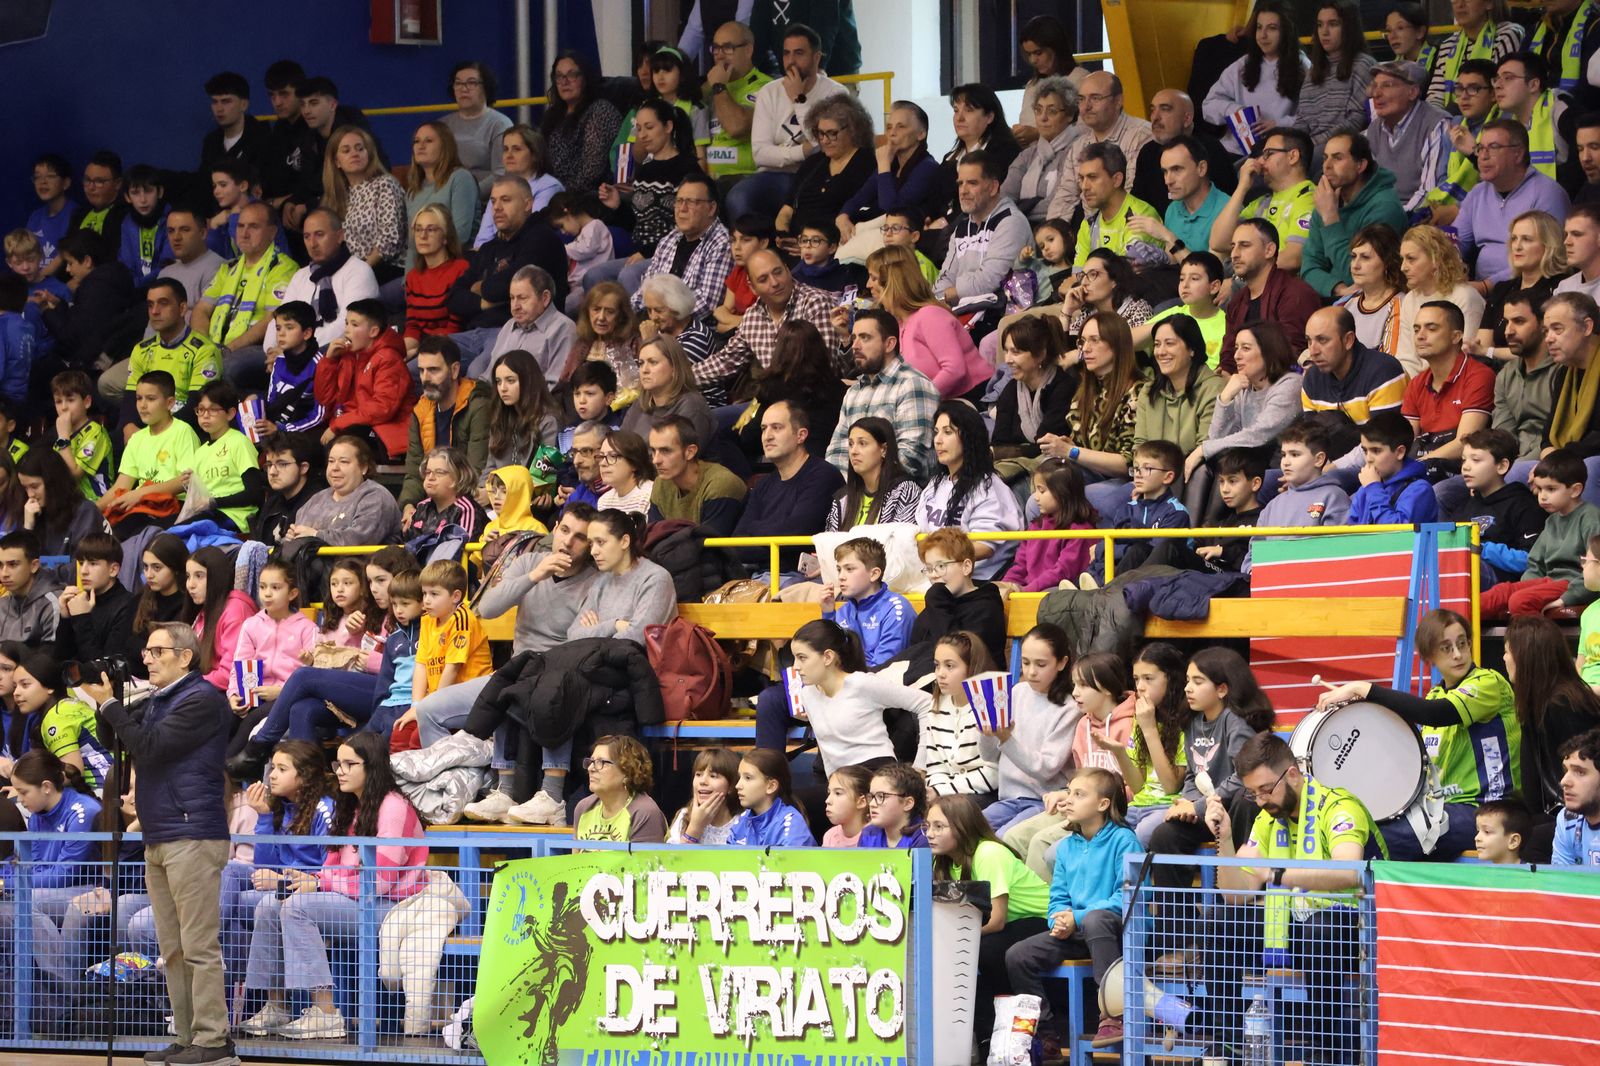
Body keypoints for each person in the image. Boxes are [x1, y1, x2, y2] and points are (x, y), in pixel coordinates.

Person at [1146, 733, 1384, 1061]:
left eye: (1266, 789)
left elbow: (1350, 872)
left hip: (1356, 922)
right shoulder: (1268, 818)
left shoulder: (1339, 807)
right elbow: (1237, 894)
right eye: (1253, 792)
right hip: (1293, 920)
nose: (1259, 801)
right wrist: (1224, 837)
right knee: (1221, 923)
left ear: (1293, 775)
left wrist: (1275, 874)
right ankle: (1226, 1047)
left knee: (1321, 931)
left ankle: (1330, 1056)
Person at [85, 622, 237, 1064]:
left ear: (185, 656)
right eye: (146, 652)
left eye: (156, 651)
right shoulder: (160, 700)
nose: (146, 658)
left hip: (192, 833)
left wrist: (113, 704)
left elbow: (149, 749)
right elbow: (120, 743)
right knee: (170, 948)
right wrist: (109, 707)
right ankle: (188, 1035)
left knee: (198, 946)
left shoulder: (201, 699)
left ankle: (214, 1041)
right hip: (160, 833)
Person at [1316, 607, 1518, 861]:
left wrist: (1363, 688)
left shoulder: (1488, 683)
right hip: (1439, 807)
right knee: (1354, 825)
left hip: (1485, 808)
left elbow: (1434, 713)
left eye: (1462, 643)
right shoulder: (1435, 694)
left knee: (1370, 839)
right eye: (1446, 647)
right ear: (1429, 656)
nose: (1458, 654)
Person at [449, 507, 602, 823]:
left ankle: (549, 793)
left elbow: (580, 637)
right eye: (564, 531)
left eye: (580, 538)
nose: (569, 542)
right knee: (432, 708)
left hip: (562, 670)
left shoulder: (594, 581)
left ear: (590, 546)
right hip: (521, 667)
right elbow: (487, 608)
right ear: (554, 529)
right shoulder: (531, 562)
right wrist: (537, 574)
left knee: (540, 690)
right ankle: (493, 792)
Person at [1003, 767, 1142, 1053]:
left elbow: (1127, 897)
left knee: (1095, 918)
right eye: (1069, 792)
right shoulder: (1066, 847)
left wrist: (1076, 917)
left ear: (1103, 804)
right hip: (1079, 930)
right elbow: (1058, 896)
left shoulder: (1125, 840)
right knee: (1018, 955)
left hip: (1120, 930)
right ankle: (1046, 1036)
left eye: (1079, 794)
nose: (1069, 800)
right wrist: (1060, 919)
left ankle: (1114, 1015)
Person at [728, 23, 849, 222]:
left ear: (816, 57)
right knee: (737, 198)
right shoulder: (769, 91)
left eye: (799, 53)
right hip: (774, 176)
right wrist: (801, 152)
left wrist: (799, 100)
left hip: (818, 176)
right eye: (786, 54)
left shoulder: (835, 93)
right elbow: (759, 154)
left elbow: (826, 147)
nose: (791, 61)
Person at [690, 248, 843, 396]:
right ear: (753, 287)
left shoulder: (816, 303)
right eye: (763, 279)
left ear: (787, 270)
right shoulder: (753, 316)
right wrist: (677, 380)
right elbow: (726, 362)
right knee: (713, 418)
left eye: (778, 272)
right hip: (774, 401)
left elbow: (825, 368)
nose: (775, 282)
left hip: (814, 400)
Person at [1045, 310, 1148, 517]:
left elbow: (1129, 463)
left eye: (1095, 340)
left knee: (1081, 497)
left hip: (1128, 482)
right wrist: (1070, 446)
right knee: (1041, 492)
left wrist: (1072, 452)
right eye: (1082, 341)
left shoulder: (1139, 392)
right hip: (1091, 473)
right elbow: (1082, 449)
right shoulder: (1084, 391)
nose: (1086, 348)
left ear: (1117, 345)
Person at [981, 624, 1077, 835]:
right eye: (1025, 663)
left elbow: (1045, 769)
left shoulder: (1069, 707)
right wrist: (988, 733)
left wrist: (1006, 738)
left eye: (1041, 664)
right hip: (1008, 798)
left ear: (1062, 663)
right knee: (963, 833)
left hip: (1043, 801)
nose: (1031, 672)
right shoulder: (1016, 692)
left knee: (1003, 838)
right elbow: (988, 755)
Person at [825, 310, 941, 481]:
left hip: (901, 498)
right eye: (854, 337)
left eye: (864, 337)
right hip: (855, 496)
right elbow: (838, 451)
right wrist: (836, 489)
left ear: (889, 344)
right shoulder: (854, 392)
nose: (855, 345)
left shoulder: (912, 384)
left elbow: (912, 458)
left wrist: (864, 489)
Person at [1455, 120, 1571, 289]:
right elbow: (1456, 242)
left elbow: (1547, 258)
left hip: (1530, 290)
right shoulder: (1477, 193)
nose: (1483, 156)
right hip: (1481, 290)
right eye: (1480, 148)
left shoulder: (1547, 193)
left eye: (1493, 147)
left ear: (1518, 154)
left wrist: (1486, 286)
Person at [446, 177, 568, 335]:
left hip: (519, 334)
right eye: (493, 201)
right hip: (472, 333)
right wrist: (487, 303)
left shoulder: (542, 239)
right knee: (424, 359)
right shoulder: (489, 248)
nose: (496, 207)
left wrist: (480, 287)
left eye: (505, 200)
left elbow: (510, 285)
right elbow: (453, 298)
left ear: (527, 204)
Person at [731, 400, 842, 572]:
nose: (767, 436)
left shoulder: (822, 475)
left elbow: (795, 534)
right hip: (759, 579)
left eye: (776, 427)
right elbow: (737, 543)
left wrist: (754, 529)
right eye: (763, 428)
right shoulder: (764, 484)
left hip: (802, 581)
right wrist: (777, 539)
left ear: (801, 435)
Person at [869, 244, 990, 400]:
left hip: (971, 401)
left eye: (873, 278)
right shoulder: (899, 324)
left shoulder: (930, 315)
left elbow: (955, 370)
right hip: (940, 405)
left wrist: (915, 399)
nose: (868, 285)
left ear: (892, 282)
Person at [110, 277, 225, 440]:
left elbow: (197, 405)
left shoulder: (205, 350)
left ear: (182, 308)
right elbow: (130, 397)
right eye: (150, 305)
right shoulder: (141, 349)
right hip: (148, 425)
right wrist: (128, 426)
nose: (155, 311)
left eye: (163, 303)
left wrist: (155, 434)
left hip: (186, 431)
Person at [919, 403, 1024, 580]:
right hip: (936, 577)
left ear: (968, 438)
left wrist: (939, 558)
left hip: (978, 582)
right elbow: (920, 534)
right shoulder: (934, 485)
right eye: (936, 432)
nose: (938, 440)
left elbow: (985, 546)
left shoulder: (988, 487)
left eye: (948, 432)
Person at [1301, 133, 1410, 299]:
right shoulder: (1327, 200)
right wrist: (1338, 289)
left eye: (1337, 158)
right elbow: (1309, 266)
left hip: (1378, 300)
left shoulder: (1384, 207)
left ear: (1360, 165)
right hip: (1338, 296)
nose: (1327, 166)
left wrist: (1330, 219)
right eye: (1325, 158)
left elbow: (1359, 272)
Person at [263, 208, 380, 353]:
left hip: (339, 353)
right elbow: (278, 320)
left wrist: (298, 350)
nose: (312, 244)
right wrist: (271, 351)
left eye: (319, 235)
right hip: (294, 350)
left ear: (340, 236)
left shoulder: (359, 271)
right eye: (306, 237)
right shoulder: (300, 275)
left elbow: (346, 327)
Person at [98, 372, 200, 538]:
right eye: (139, 398)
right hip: (141, 507)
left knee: (133, 537)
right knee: (104, 536)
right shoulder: (137, 439)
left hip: (174, 507)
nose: (142, 405)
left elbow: (186, 481)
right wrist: (91, 510)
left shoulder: (183, 431)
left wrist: (139, 493)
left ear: (170, 403)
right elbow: (121, 487)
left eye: (151, 399)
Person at [1046, 71, 1155, 226]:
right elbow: (1065, 196)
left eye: (1095, 98)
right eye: (1081, 99)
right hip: (1091, 231)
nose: (1086, 106)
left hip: (1130, 228)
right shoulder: (1078, 146)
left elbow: (1133, 195)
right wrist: (1053, 234)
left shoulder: (1142, 136)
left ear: (1118, 101)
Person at [1300, 305, 1409, 458]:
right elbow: (1310, 442)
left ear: (1348, 340)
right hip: (1324, 465)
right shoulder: (1313, 378)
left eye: (1322, 340)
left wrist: (1329, 470)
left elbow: (1381, 448)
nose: (1313, 351)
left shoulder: (1383, 372)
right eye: (1309, 341)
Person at [1136, 315, 1224, 506]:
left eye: (1169, 343)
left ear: (1191, 349)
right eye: (1157, 344)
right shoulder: (1148, 391)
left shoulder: (1213, 388)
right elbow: (1140, 445)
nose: (1161, 351)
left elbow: (1206, 445)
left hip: (1188, 476)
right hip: (1151, 478)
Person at [1203, 0, 1307, 159]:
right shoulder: (1242, 64)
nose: (1263, 35)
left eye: (1272, 28)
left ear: (1286, 31)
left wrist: (1278, 124)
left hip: (1277, 152)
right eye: (1259, 28)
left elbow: (1312, 117)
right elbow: (1208, 105)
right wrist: (1235, 111)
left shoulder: (1303, 66)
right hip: (1234, 150)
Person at [1198, 320, 1302, 479]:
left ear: (1269, 351)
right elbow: (1217, 439)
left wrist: (1203, 450)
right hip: (1250, 468)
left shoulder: (1290, 384)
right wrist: (1225, 398)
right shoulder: (1244, 388)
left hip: (1282, 471)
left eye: (1245, 348)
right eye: (1236, 348)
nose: (1236, 356)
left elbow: (1258, 435)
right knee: (1208, 468)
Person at [312, 299, 413, 461]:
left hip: (385, 434)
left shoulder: (388, 358)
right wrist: (329, 361)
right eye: (346, 323)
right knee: (302, 445)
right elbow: (326, 399)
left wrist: (338, 424)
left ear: (373, 331)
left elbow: (382, 409)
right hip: (353, 424)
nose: (347, 331)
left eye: (354, 325)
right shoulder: (349, 355)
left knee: (338, 450)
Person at [838, 101, 940, 259]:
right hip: (881, 230)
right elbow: (860, 196)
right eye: (889, 127)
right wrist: (843, 216)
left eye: (901, 127)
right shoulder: (892, 163)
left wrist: (883, 164)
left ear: (921, 134)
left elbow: (891, 208)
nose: (892, 133)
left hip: (904, 239)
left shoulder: (928, 167)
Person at [1207, 128, 1316, 273]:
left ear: (1292, 156)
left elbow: (1293, 258)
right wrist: (1242, 188)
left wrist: (1240, 276)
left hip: (1279, 288)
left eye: (1268, 154)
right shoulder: (1261, 202)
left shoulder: (1308, 197)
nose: (1260, 162)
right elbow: (1218, 243)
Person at [1219, 218, 1320, 371]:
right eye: (1233, 247)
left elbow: (1292, 353)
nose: (1234, 254)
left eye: (1244, 246)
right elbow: (1228, 352)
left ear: (1269, 250)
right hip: (1245, 387)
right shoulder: (1237, 301)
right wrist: (1227, 372)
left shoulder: (1295, 293)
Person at [933, 152, 1030, 310]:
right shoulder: (961, 228)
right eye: (960, 183)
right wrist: (942, 295)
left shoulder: (1011, 222)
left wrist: (948, 294)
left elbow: (988, 281)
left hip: (1001, 316)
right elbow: (945, 278)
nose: (963, 191)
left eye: (972, 183)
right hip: (966, 314)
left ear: (992, 187)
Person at [630, 173, 732, 321]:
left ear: (711, 208)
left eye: (691, 202)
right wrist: (628, 317)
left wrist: (659, 317)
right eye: (679, 201)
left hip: (688, 331)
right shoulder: (669, 240)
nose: (682, 208)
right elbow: (646, 289)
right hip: (654, 321)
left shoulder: (722, 244)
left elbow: (706, 302)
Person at [1450, 428, 1546, 584]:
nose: (1465, 467)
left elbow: (1532, 560)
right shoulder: (1464, 507)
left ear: (1502, 466)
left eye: (1475, 460)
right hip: (1464, 573)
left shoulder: (1524, 505)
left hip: (1503, 580)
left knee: (1459, 566)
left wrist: (1481, 549)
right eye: (1464, 460)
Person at [777, 93, 875, 243]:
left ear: (854, 130)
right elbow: (786, 212)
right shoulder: (813, 162)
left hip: (835, 245)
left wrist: (812, 244)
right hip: (797, 242)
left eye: (832, 133)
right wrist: (783, 235)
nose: (824, 140)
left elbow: (861, 216)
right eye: (820, 133)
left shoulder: (868, 163)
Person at [1251, 418, 1352, 562]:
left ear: (1319, 459)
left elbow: (1337, 551)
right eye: (1284, 454)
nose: (1285, 461)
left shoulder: (1334, 497)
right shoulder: (1273, 505)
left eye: (1295, 454)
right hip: (1272, 581)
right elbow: (1254, 553)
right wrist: (1253, 571)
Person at [35, 230, 136, 373]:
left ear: (87, 261)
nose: (68, 269)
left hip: (91, 367)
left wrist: (46, 311)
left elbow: (71, 338)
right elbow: (81, 319)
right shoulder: (112, 279)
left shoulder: (94, 289)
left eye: (70, 263)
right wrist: (59, 305)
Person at [283, 434, 403, 549]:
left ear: (364, 467)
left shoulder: (376, 496)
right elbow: (298, 533)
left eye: (344, 462)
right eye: (331, 461)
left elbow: (359, 540)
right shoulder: (316, 499)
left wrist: (315, 535)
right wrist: (291, 538)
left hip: (361, 567)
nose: (335, 468)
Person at [320, 126, 407, 283]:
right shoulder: (335, 198)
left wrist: (361, 271)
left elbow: (390, 239)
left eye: (360, 148)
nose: (355, 153)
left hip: (389, 267)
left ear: (369, 154)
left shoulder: (384, 184)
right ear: (337, 162)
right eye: (346, 151)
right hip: (356, 271)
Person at [1397, 225, 1487, 376]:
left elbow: (1465, 357)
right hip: (1418, 387)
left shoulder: (1465, 296)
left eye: (1411, 259)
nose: (1403, 267)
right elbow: (1407, 359)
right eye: (1402, 259)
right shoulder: (1409, 300)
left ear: (1436, 259)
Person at [1365, 59, 1453, 212]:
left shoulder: (1436, 124)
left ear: (1412, 92)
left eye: (1387, 85)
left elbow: (1429, 193)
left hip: (1417, 217)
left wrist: (1395, 217)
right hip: (1380, 214)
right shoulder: (1374, 128)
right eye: (1375, 86)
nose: (1376, 94)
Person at [1133, 89, 1238, 215]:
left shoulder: (1210, 150)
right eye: (1152, 110)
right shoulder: (1147, 153)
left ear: (1187, 118)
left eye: (1165, 109)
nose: (1155, 117)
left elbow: (1228, 202)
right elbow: (1138, 203)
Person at [1476, 214, 1566, 360]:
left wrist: (1490, 352)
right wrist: (1486, 352)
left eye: (1526, 239)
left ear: (1548, 245)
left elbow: (1543, 351)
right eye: (1514, 239)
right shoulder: (1502, 289)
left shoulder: (1560, 287)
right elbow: (1480, 347)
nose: (1517, 246)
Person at [1421, 59, 1501, 225]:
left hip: (1485, 213)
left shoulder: (1503, 127)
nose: (1463, 96)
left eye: (1473, 89)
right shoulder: (1453, 125)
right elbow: (1441, 178)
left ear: (1493, 94)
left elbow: (1499, 181)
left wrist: (1458, 209)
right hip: (1447, 207)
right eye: (1459, 89)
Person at [1295, 3, 1376, 156]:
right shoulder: (1314, 69)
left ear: (1348, 28)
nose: (1324, 32)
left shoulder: (1363, 65)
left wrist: (1309, 145)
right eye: (1320, 25)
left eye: (1333, 24)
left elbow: (1356, 121)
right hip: (1309, 145)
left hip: (1341, 147)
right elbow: (1302, 120)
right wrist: (1291, 144)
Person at [1002, 459, 1094, 592]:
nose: (1036, 497)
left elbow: (1062, 573)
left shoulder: (1081, 532)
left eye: (1041, 491)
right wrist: (1005, 586)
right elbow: (1020, 566)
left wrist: (1025, 590)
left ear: (1062, 493)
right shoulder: (1035, 526)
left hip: (1055, 597)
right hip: (1028, 592)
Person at [540, 51, 624, 194]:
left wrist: (558, 194)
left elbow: (591, 171)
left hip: (587, 195)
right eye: (559, 76)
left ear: (585, 78)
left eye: (572, 75)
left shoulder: (600, 111)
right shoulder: (552, 114)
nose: (565, 82)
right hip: (552, 191)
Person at [699, 21, 771, 189]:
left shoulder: (766, 87)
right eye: (716, 48)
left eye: (728, 48)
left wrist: (718, 87)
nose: (720, 55)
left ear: (748, 50)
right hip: (707, 180)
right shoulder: (709, 87)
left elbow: (736, 127)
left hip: (746, 178)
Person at [1001, 78, 1082, 226]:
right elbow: (1004, 198)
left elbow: (1057, 204)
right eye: (1038, 110)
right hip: (1020, 228)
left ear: (1070, 115)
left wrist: (1017, 212)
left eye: (1052, 111)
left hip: (1061, 230)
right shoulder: (1027, 155)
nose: (1043, 118)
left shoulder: (1078, 150)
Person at [646, 415, 746, 534]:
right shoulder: (661, 484)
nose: (656, 460)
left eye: (665, 451)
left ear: (690, 452)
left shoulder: (721, 484)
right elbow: (654, 538)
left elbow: (710, 547)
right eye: (653, 451)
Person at [190, 380, 265, 533]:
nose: (205, 415)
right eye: (201, 410)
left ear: (230, 413)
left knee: (180, 533)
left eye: (212, 410)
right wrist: (189, 484)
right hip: (210, 514)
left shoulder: (239, 442)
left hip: (236, 518)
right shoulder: (200, 451)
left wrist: (214, 502)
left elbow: (254, 493)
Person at [824, 416, 921, 532]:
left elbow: (900, 544)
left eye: (862, 443)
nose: (854, 451)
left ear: (884, 450)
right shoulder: (843, 498)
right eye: (851, 444)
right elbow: (829, 544)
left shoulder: (905, 492)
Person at [1347, 410, 1440, 526]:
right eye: (1365, 451)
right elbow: (1349, 535)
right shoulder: (1364, 490)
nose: (1368, 459)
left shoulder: (1420, 489)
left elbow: (1397, 534)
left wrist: (1374, 489)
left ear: (1400, 452)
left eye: (1376, 451)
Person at [571, 735, 669, 843]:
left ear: (627, 771)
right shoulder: (584, 808)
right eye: (591, 761)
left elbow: (645, 860)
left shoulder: (644, 812)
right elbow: (576, 859)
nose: (590, 768)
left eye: (601, 762)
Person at [403, 122, 477, 264]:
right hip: (420, 272)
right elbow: (413, 244)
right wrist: (408, 282)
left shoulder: (460, 178)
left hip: (454, 268)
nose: (421, 146)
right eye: (416, 141)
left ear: (445, 146)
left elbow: (459, 235)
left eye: (428, 141)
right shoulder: (412, 191)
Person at [16, 445, 109, 558]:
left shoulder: (85, 512)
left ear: (53, 482)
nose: (30, 494)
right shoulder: (30, 512)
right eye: (25, 488)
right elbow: (20, 567)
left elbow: (84, 564)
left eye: (34, 486)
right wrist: (28, 528)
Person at [442, 60, 514, 197]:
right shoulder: (443, 125)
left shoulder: (500, 124)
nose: (464, 88)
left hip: (483, 199)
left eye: (471, 83)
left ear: (485, 87)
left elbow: (501, 173)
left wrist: (468, 195)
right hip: (446, 196)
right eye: (458, 83)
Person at [486, 348, 560, 472]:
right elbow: (489, 470)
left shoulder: (549, 422)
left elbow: (544, 476)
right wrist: (481, 490)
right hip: (499, 490)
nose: (502, 388)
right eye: (498, 382)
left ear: (528, 381)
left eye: (510, 381)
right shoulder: (500, 419)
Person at [726, 748, 816, 845]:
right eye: (740, 777)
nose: (738, 785)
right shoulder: (743, 820)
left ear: (771, 786)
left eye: (748, 778)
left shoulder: (792, 826)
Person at [252, 432, 325, 547]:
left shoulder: (319, 502)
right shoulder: (272, 503)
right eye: (269, 465)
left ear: (303, 468)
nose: (272, 472)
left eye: (282, 464)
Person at [402, 447, 488, 544]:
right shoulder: (421, 507)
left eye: (439, 473)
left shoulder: (467, 510)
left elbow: (460, 553)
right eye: (428, 472)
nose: (430, 478)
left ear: (458, 477)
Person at [667, 747, 743, 845]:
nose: (703, 781)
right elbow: (674, 858)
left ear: (731, 786)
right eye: (698, 775)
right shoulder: (684, 816)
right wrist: (695, 827)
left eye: (713, 776)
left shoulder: (742, 823)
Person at [821, 764, 872, 847]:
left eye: (838, 793)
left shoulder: (877, 838)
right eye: (829, 793)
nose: (827, 801)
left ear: (861, 801)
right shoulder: (830, 837)